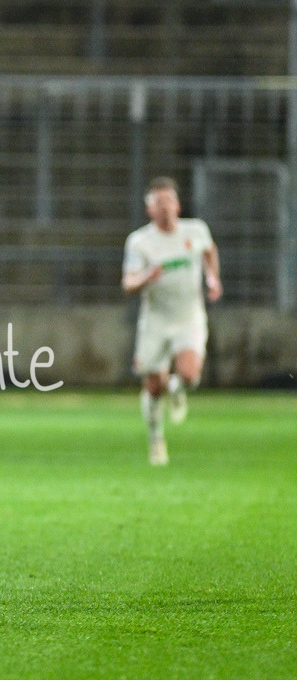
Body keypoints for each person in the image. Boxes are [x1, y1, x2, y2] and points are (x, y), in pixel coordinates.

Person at [122, 176, 222, 466]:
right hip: (155, 320)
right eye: (158, 202)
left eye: (169, 201)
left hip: (188, 314)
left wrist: (212, 278)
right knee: (153, 386)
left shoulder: (196, 230)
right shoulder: (140, 241)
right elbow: (128, 283)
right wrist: (145, 277)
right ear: (149, 209)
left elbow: (209, 251)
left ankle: (178, 391)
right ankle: (156, 439)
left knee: (189, 374)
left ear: (177, 205)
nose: (165, 207)